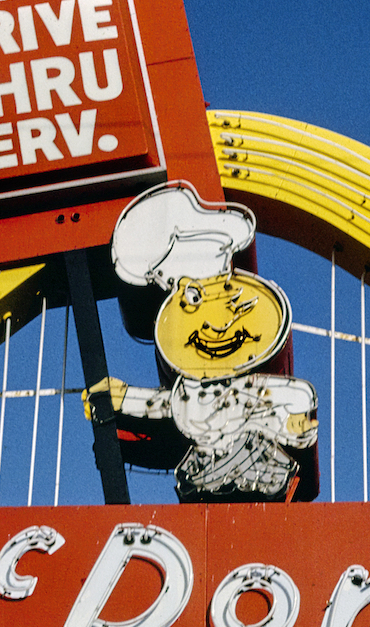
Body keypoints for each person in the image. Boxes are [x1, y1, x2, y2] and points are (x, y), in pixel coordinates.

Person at [84, 182, 318, 502]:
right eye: (194, 301)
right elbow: (162, 407)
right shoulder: (187, 394)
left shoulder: (253, 388)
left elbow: (290, 398)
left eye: (236, 303)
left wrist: (295, 416)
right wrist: (123, 399)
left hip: (261, 469)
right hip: (202, 476)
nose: (218, 325)